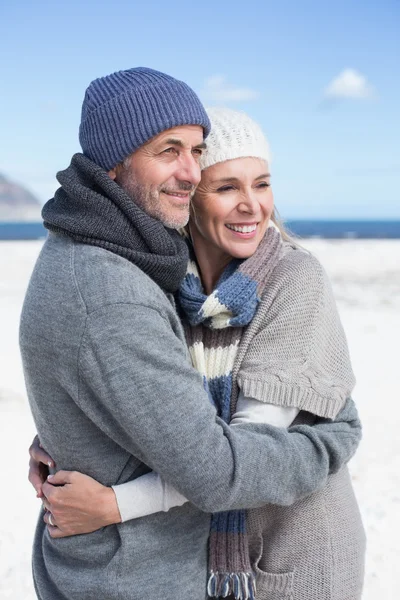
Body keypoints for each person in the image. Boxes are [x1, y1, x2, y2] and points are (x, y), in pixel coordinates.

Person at [22, 69, 363, 600]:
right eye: (225, 186)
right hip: (217, 563)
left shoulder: (293, 281)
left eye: (263, 184)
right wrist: (68, 432)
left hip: (292, 555)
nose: (251, 205)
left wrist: (331, 437)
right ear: (195, 200)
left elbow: (229, 463)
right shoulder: (162, 282)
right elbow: (171, 418)